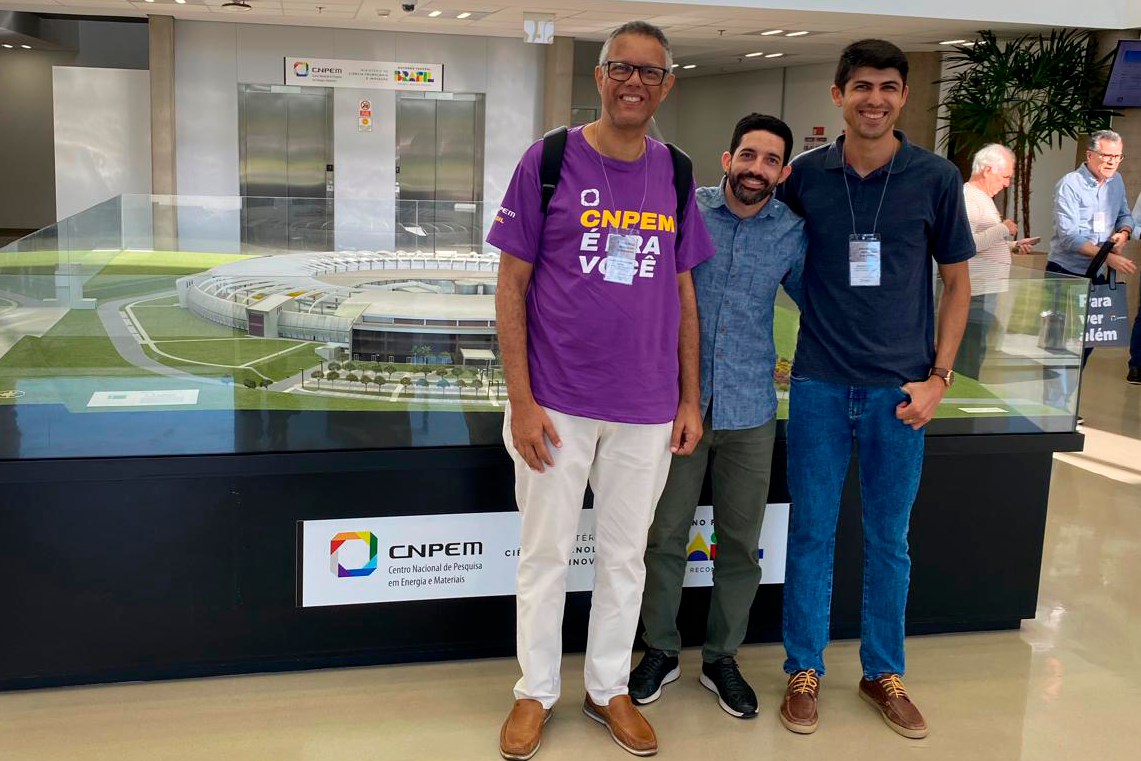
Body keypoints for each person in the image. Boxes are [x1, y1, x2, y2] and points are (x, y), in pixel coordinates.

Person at [489, 20, 713, 761]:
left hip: (646, 410)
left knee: (624, 557)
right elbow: (510, 285)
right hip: (554, 402)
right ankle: (535, 691)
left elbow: (683, 292)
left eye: (648, 73)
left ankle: (607, 687)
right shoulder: (548, 160)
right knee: (545, 554)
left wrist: (688, 398)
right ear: (599, 75)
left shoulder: (675, 172)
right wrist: (521, 401)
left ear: (665, 85)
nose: (633, 83)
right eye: (621, 68)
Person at [775, 39, 974, 740]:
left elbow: (956, 283)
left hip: (899, 394)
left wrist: (938, 379)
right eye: (861, 85)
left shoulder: (933, 177)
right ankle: (803, 668)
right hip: (820, 385)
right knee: (811, 533)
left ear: (901, 96)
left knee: (888, 538)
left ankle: (881, 671)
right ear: (837, 94)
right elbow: (771, 252)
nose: (875, 98)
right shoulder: (804, 177)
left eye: (889, 86)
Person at [628, 114, 806, 719]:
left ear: (783, 171)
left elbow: (826, 304)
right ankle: (660, 648)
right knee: (664, 537)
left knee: (739, 543)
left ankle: (722, 657)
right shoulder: (686, 211)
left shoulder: (792, 232)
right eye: (748, 155)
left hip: (750, 409)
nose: (757, 168)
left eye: (770, 160)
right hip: (674, 407)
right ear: (727, 159)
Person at [1048, 130, 1136, 369]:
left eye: (1117, 156)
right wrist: (1107, 257)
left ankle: (1069, 402)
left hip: (1095, 276)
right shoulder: (1070, 184)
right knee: (1062, 347)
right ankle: (1055, 404)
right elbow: (1069, 237)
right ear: (1089, 155)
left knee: (1088, 343)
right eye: (1106, 155)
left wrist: (1124, 233)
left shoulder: (1115, 181)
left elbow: (1124, 214)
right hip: (1066, 273)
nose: (1111, 161)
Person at [955, 143, 1036, 380]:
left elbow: (981, 242)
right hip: (974, 291)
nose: (1007, 183)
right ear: (988, 170)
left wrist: (1010, 245)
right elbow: (964, 246)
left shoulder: (980, 197)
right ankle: (962, 403)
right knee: (969, 355)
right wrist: (1003, 229)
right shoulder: (970, 197)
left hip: (982, 289)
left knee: (975, 352)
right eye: (1005, 176)